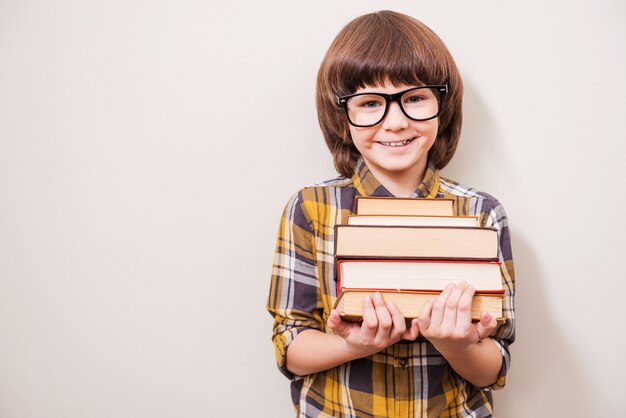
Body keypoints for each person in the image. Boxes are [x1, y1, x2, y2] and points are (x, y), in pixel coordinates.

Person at [267, 10, 515, 417]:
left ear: (442, 104)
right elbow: (289, 346)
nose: (395, 122)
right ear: (342, 115)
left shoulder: (482, 212)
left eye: (415, 98)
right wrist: (354, 343)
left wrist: (457, 345)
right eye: (370, 103)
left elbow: (495, 366)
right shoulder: (310, 209)